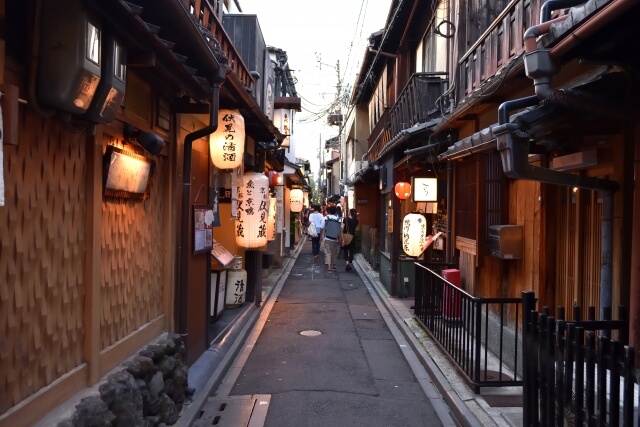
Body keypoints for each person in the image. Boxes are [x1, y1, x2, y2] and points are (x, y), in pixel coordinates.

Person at [322, 205, 341, 272]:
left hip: (327, 238)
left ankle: (329, 267)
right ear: (335, 211)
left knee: (327, 252)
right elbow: (340, 230)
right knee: (334, 252)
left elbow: (322, 227)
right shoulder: (338, 219)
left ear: (328, 211)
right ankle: (333, 265)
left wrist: (321, 238)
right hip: (335, 239)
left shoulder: (325, 218)